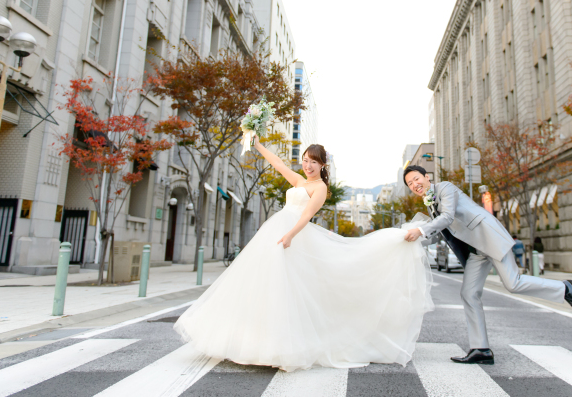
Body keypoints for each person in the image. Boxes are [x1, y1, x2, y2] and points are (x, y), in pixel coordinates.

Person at [174, 138, 433, 372]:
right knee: (262, 286)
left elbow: (306, 216)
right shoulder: (300, 181)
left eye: (313, 162)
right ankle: (252, 340)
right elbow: (277, 163)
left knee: (287, 290)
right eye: (306, 160)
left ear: (323, 165)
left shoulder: (319, 188)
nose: (308, 165)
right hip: (277, 231)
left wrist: (289, 235)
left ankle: (279, 345)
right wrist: (257, 143)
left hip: (293, 236)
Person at [403, 165, 572, 366]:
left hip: (489, 238)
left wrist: (420, 231)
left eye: (416, 179)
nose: (414, 185)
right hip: (476, 250)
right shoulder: (430, 203)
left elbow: (446, 218)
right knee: (469, 293)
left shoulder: (445, 188)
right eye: (410, 184)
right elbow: (440, 231)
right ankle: (481, 349)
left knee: (513, 284)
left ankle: (565, 289)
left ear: (427, 177)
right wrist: (405, 240)